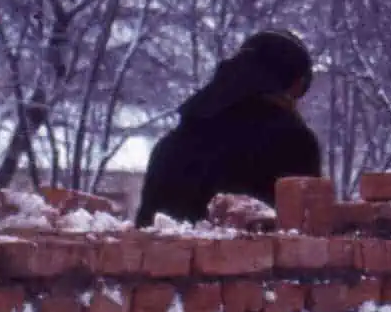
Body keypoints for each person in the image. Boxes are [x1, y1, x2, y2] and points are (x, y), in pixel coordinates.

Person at [134, 29, 321, 226]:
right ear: (291, 85)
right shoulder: (294, 144)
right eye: (297, 94)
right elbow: (307, 234)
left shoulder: (170, 146)